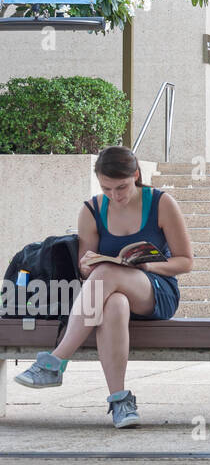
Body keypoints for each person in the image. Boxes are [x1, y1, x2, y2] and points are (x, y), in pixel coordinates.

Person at [14, 146, 194, 428]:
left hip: (155, 290)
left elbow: (185, 261)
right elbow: (86, 268)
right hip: (106, 295)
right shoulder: (92, 210)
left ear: (135, 175)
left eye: (121, 187)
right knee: (114, 303)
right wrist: (88, 263)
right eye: (107, 188)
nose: (115, 196)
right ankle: (120, 401)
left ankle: (56, 360)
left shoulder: (161, 203)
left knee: (108, 273)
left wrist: (146, 266)